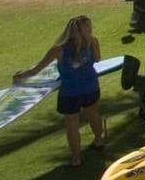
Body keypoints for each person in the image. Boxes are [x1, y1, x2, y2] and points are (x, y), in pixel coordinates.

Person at [14, 15, 104, 167]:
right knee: (93, 113)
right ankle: (99, 140)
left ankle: (76, 159)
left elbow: (36, 70)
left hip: (70, 93)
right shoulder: (93, 42)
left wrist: (19, 77)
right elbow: (97, 59)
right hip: (91, 87)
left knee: (72, 125)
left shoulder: (59, 49)